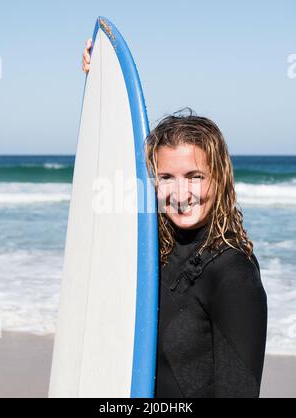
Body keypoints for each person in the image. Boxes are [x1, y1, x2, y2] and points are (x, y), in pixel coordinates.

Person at [82, 42, 268, 398]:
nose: (180, 193)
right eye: (166, 178)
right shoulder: (153, 253)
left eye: (195, 176)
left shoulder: (232, 273)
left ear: (219, 178)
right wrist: (99, 85)